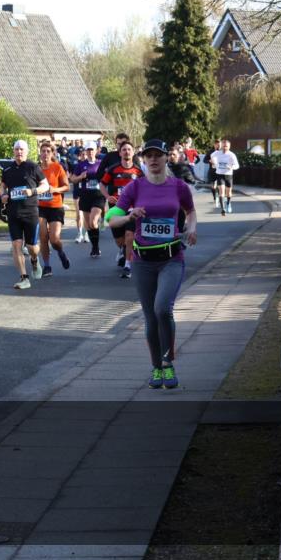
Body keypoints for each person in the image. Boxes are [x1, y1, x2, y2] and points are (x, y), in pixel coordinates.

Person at [106, 139, 197, 390]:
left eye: (158, 155)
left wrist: (191, 228)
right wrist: (128, 215)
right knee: (150, 317)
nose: (154, 159)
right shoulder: (135, 188)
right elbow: (111, 220)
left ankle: (168, 363)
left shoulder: (178, 187)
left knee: (162, 309)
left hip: (171, 259)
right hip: (142, 261)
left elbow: (190, 212)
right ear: (143, 160)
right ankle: (156, 367)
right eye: (149, 156)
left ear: (167, 157)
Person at [0, 139, 49, 289]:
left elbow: (45, 186)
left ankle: (34, 259)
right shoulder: (8, 170)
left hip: (30, 211)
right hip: (13, 212)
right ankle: (24, 277)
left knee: (32, 246)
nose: (19, 152)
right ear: (13, 151)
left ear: (26, 152)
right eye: (16, 149)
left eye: (22, 149)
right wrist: (3, 195)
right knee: (16, 245)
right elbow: (2, 186)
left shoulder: (33, 167)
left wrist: (32, 191)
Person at [100, 140, 144, 279]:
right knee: (120, 240)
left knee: (129, 236)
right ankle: (123, 250)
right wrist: (107, 196)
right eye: (124, 150)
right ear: (120, 153)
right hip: (117, 209)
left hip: (132, 209)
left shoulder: (138, 171)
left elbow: (145, 189)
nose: (126, 152)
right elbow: (102, 184)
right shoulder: (113, 169)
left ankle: (127, 265)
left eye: (129, 149)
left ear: (133, 152)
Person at [37, 142, 71, 276]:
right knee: (43, 237)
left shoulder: (57, 167)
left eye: (48, 151)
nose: (45, 154)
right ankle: (47, 266)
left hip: (55, 207)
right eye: (43, 151)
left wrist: (54, 189)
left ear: (52, 154)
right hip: (40, 207)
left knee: (54, 239)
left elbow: (67, 186)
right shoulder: (37, 169)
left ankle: (61, 252)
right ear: (40, 153)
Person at [70, 142, 106, 257]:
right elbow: (73, 179)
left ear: (96, 151)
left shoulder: (101, 164)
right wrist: (81, 177)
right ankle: (94, 247)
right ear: (85, 151)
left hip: (98, 196)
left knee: (93, 221)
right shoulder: (81, 165)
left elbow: (107, 178)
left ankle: (96, 246)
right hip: (85, 196)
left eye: (92, 150)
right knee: (88, 225)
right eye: (88, 150)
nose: (90, 152)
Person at [210, 138, 240, 215]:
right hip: (220, 174)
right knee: (221, 191)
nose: (224, 147)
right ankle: (222, 209)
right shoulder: (217, 153)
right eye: (223, 146)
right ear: (221, 146)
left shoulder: (232, 155)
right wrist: (214, 163)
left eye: (226, 146)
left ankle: (228, 204)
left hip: (228, 175)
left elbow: (237, 166)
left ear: (229, 146)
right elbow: (211, 156)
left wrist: (231, 167)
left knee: (228, 192)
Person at [203, 139, 222, 204]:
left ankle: (220, 198)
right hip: (212, 171)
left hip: (220, 171)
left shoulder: (222, 152)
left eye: (220, 145)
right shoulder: (210, 152)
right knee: (213, 186)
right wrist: (209, 161)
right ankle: (215, 198)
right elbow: (204, 160)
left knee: (220, 186)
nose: (219, 146)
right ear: (214, 145)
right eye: (217, 145)